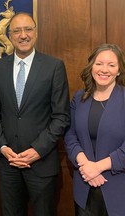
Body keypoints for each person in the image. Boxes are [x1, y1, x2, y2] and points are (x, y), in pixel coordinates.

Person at [0, 12, 70, 216]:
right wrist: (3, 147)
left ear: (36, 32)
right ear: (10, 35)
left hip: (41, 163)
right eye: (16, 31)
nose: (23, 35)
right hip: (8, 163)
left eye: (28, 29)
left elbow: (61, 116)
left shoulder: (54, 67)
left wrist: (37, 150)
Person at [64, 43, 125, 216]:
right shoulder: (79, 97)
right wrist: (86, 165)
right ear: (92, 66)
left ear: (119, 70)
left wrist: (97, 167)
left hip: (119, 189)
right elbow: (70, 136)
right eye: (99, 63)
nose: (104, 69)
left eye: (111, 65)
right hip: (84, 188)